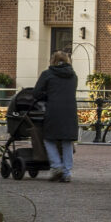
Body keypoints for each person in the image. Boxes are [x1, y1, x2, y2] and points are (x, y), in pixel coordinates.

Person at [29, 53, 80, 182]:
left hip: (54, 110)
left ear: (53, 61)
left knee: (48, 139)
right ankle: (67, 172)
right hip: (70, 111)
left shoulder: (47, 74)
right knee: (67, 141)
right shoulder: (73, 75)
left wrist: (47, 95)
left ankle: (56, 166)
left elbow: (36, 93)